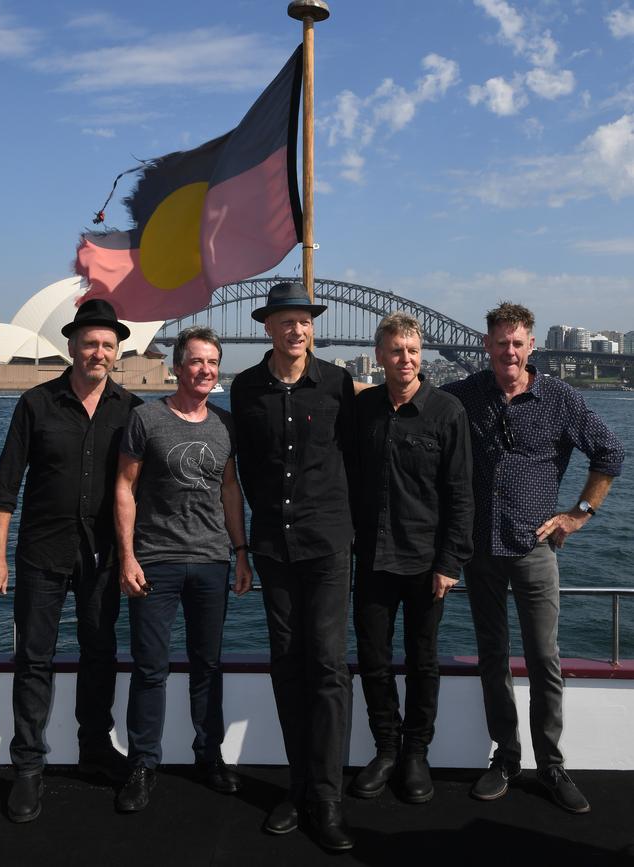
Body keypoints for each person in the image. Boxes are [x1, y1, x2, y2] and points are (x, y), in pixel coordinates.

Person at [442, 301, 625, 814]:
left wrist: (580, 512)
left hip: (533, 548)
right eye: (501, 343)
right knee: (492, 659)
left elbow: (610, 452)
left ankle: (551, 763)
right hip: (479, 550)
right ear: (487, 345)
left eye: (518, 342)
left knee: (545, 660)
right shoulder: (463, 395)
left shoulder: (559, 398)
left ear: (532, 345)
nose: (510, 351)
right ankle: (506, 757)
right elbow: (413, 405)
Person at [0, 299, 140, 823]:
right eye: (90, 343)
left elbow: (146, 489)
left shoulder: (132, 408)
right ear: (72, 347)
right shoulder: (36, 403)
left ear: (117, 352)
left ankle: (95, 749)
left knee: (101, 653)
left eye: (107, 345)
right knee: (33, 659)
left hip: (103, 556)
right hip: (41, 553)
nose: (99, 352)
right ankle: (28, 766)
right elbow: (5, 489)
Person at [230, 282, 355, 852]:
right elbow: (247, 469)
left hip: (328, 545)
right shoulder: (246, 387)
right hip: (274, 548)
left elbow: (356, 456)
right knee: (287, 663)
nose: (295, 329)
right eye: (285, 320)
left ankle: (327, 798)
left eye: (303, 320)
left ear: (312, 327)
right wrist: (244, 544)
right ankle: (298, 785)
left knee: (327, 666)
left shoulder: (337, 384)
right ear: (267, 327)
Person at [114, 326, 251, 813]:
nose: (206, 369)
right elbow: (125, 488)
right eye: (196, 361)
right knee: (150, 669)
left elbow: (230, 490)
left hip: (213, 562)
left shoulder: (226, 423)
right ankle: (143, 764)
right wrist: (127, 556)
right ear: (177, 366)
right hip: (157, 561)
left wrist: (241, 552)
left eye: (212, 361)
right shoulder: (145, 419)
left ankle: (207, 755)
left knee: (207, 667)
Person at [351, 312, 474, 804]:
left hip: (426, 563)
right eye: (396, 350)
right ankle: (386, 747)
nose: (406, 359)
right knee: (374, 660)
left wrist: (450, 563)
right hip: (374, 558)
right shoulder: (363, 412)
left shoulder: (447, 412)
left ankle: (417, 752)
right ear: (380, 356)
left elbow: (461, 494)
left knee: (423, 662)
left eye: (413, 351)